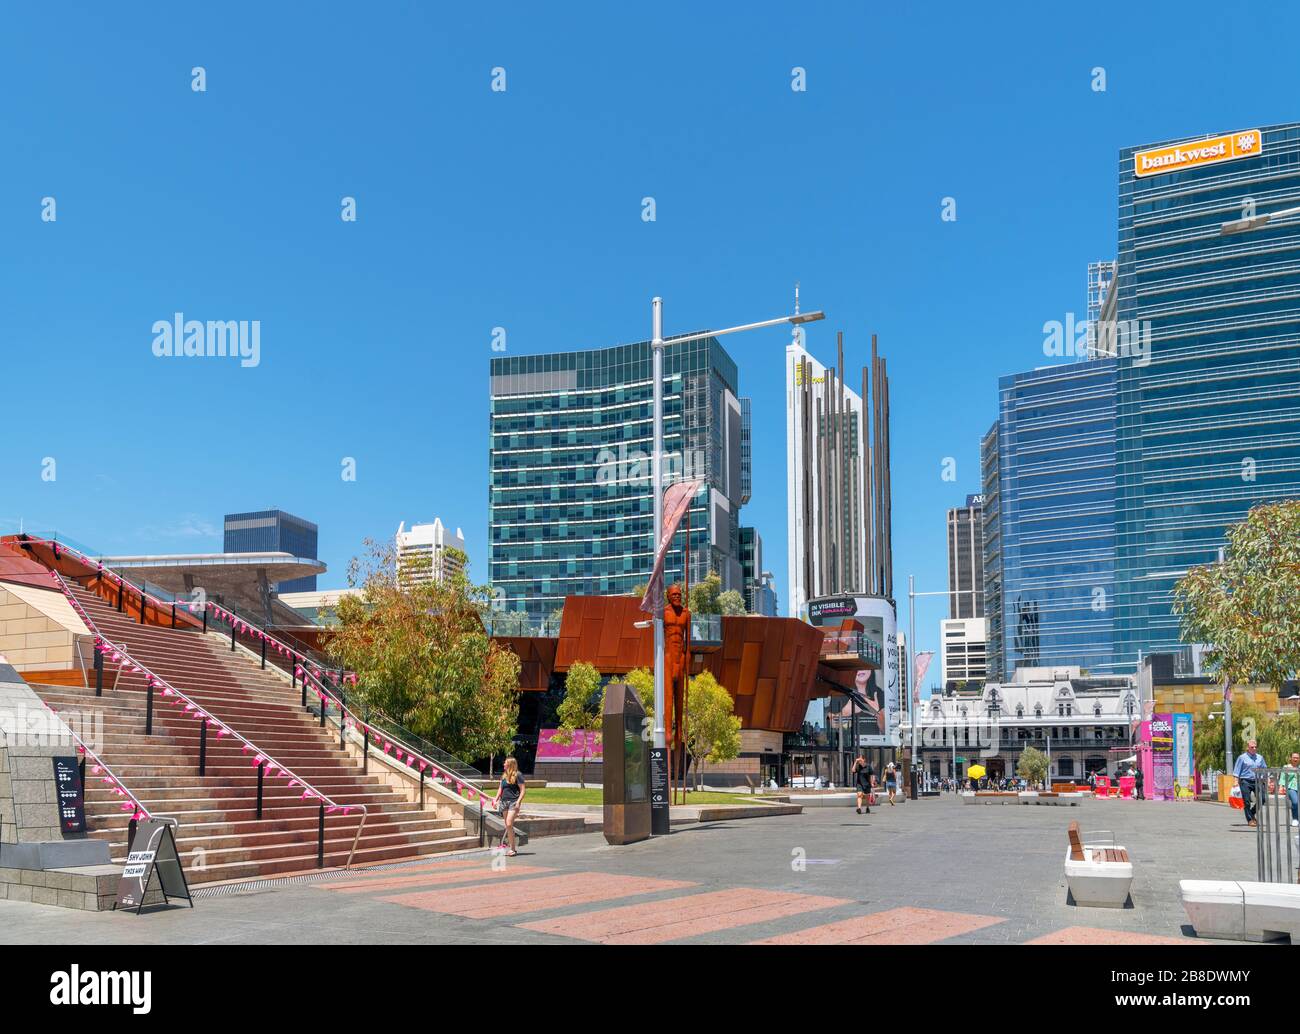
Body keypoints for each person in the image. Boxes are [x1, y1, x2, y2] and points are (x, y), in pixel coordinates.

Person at [491, 756, 526, 856]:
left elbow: (523, 790)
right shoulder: (504, 775)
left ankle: (513, 849)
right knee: (507, 825)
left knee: (509, 824)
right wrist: (495, 799)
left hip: (513, 802)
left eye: (505, 763)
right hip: (504, 802)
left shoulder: (518, 775)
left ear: (510, 764)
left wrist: (518, 802)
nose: (504, 764)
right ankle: (512, 848)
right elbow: (500, 789)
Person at [1233, 739, 1268, 826]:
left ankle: (1251, 812)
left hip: (1258, 781)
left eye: (1255, 747)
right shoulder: (1242, 757)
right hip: (1245, 781)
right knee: (1247, 801)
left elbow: (1265, 769)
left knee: (1262, 799)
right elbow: (1237, 770)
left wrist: (1267, 780)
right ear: (1248, 748)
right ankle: (1250, 820)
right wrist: (1235, 781)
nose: (1254, 748)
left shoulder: (1260, 758)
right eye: (1252, 747)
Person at [1281, 753, 1300, 828]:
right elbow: (1282, 777)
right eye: (1294, 757)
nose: (1295, 759)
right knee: (1295, 802)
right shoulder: (1286, 767)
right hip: (1290, 787)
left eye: (1297, 758)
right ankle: (1295, 819)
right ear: (1291, 758)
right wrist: (1281, 787)